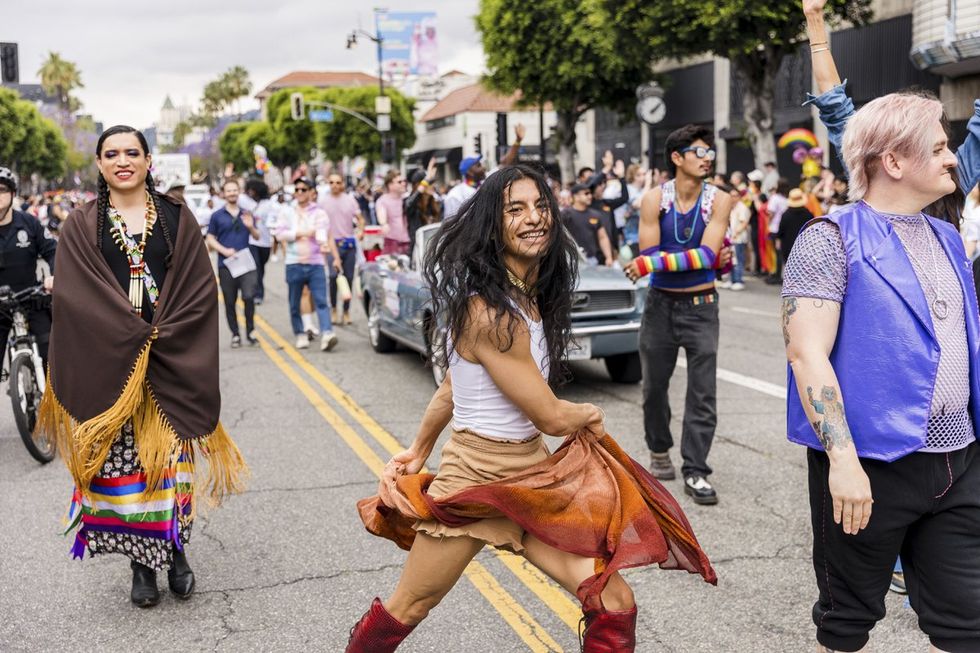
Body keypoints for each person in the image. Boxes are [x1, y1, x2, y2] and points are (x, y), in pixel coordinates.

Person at [345, 164, 716, 653]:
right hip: (475, 480)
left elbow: (454, 386)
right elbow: (551, 417)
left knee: (614, 602)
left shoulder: (524, 298)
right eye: (514, 209)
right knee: (410, 606)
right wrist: (589, 414)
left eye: (541, 206)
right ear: (491, 226)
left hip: (531, 477)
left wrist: (417, 449)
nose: (533, 218)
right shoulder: (490, 312)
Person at [781, 89, 980, 653]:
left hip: (958, 463)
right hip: (870, 467)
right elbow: (807, 354)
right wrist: (842, 462)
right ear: (893, 161)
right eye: (939, 147)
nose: (951, 158)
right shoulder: (830, 239)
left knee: (968, 623)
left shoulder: (947, 236)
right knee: (846, 623)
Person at [37, 125, 246, 608]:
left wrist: (163, 332)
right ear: (100, 164)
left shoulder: (176, 216)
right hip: (113, 364)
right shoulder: (80, 223)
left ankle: (174, 551)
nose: (122, 160)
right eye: (112, 153)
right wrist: (123, 331)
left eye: (133, 152)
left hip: (170, 359)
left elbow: (197, 287)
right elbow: (74, 296)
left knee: (171, 468)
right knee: (125, 471)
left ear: (149, 161)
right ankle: (140, 565)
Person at [623, 124, 734, 505]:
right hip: (660, 306)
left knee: (703, 393)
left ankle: (696, 469)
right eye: (699, 152)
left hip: (702, 306)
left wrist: (654, 261)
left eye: (710, 154)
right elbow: (650, 259)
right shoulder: (654, 199)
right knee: (653, 387)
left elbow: (706, 256)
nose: (707, 159)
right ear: (676, 157)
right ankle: (658, 448)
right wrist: (653, 262)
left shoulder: (719, 200)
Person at [275, 177, 342, 351]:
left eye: (303, 189)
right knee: (294, 301)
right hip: (294, 262)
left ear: (310, 192)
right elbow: (279, 234)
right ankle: (300, 333)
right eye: (296, 190)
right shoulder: (287, 212)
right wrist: (300, 233)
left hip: (316, 262)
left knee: (321, 300)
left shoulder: (319, 213)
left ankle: (327, 333)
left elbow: (321, 233)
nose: (299, 193)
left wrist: (325, 246)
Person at [0, 167, 55, 368]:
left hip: (31, 297)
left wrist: (55, 276)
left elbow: (52, 250)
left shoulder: (29, 223)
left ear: (13, 193)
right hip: (0, 305)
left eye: (2, 189)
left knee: (50, 350)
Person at [205, 179, 261, 348]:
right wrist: (224, 250)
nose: (232, 193)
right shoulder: (216, 216)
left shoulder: (247, 213)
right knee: (230, 300)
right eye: (229, 191)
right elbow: (210, 239)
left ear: (239, 191)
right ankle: (235, 334)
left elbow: (258, 236)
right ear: (223, 193)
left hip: (246, 262)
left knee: (249, 297)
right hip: (226, 264)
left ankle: (250, 331)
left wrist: (250, 227)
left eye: (235, 190)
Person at [319, 173, 365, 325]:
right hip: (332, 245)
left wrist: (361, 231)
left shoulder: (350, 200)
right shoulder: (323, 202)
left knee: (349, 278)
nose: (335, 185)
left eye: (338, 182)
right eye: (331, 182)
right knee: (333, 277)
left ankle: (346, 310)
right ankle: (333, 309)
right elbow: (319, 223)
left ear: (342, 184)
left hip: (349, 244)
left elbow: (360, 219)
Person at [239, 178, 278, 305]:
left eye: (253, 190)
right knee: (256, 268)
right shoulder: (248, 202)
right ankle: (257, 293)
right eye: (249, 190)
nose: (250, 192)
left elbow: (274, 219)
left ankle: (257, 290)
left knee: (261, 268)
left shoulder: (269, 204)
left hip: (265, 242)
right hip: (252, 241)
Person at [563, 183, 614, 266]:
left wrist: (608, 257)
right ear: (576, 196)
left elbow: (603, 237)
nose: (590, 196)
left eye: (590, 193)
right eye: (586, 194)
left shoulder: (595, 215)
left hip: (592, 259)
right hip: (572, 260)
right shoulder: (565, 214)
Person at [404, 160, 441, 257]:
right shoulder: (412, 205)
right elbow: (408, 205)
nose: (432, 186)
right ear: (418, 185)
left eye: (432, 183)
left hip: (433, 249)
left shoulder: (434, 203)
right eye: (429, 183)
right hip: (417, 251)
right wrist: (424, 183)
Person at [775, 188, 813, 267]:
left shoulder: (786, 215)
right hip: (804, 246)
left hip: (787, 246)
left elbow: (781, 230)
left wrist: (778, 240)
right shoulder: (808, 214)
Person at [376, 171, 411, 256]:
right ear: (390, 185)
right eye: (399, 182)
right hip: (392, 243)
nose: (403, 183)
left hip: (408, 242)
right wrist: (384, 224)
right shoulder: (382, 200)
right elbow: (381, 215)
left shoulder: (407, 198)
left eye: (404, 181)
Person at [726, 185, 750, 291]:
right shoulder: (731, 207)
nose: (733, 198)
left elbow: (744, 223)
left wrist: (735, 233)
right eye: (731, 196)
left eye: (735, 196)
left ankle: (738, 280)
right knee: (731, 259)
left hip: (738, 238)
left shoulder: (742, 207)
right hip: (731, 237)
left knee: (738, 259)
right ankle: (732, 279)